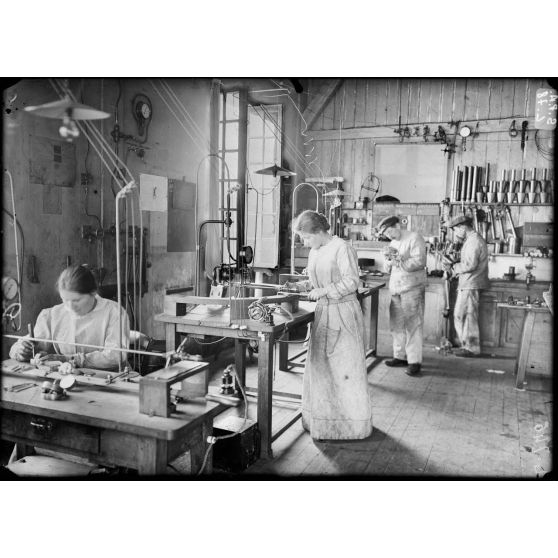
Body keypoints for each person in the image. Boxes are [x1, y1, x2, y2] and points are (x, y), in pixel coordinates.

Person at [283, 210, 373, 441]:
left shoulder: (341, 247)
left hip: (343, 312)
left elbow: (352, 281)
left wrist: (323, 291)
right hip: (324, 312)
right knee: (322, 371)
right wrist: (302, 287)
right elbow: (316, 279)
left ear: (320, 231)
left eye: (307, 237)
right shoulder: (316, 250)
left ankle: (350, 428)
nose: (305, 242)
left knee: (344, 371)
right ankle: (323, 424)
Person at [9, 265, 130, 370]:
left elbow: (115, 356)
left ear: (93, 292)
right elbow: (21, 346)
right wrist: (22, 351)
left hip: (110, 378)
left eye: (76, 300)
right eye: (65, 300)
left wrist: (70, 359)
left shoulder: (114, 312)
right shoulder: (53, 314)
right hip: (68, 378)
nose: (71, 306)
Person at [377, 215, 427, 376]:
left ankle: (414, 361)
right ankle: (400, 356)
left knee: (413, 325)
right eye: (385, 234)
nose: (389, 235)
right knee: (396, 325)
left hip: (412, 288)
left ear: (398, 225)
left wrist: (399, 261)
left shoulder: (414, 238)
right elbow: (387, 268)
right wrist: (387, 261)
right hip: (396, 289)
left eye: (390, 230)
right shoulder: (392, 243)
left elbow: (420, 262)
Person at [444, 214, 489, 357]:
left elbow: (470, 264)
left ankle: (471, 348)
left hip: (471, 283)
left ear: (463, 227)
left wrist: (453, 268)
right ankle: (466, 345)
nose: (456, 233)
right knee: (461, 315)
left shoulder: (474, 241)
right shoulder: (471, 240)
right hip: (468, 282)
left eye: (456, 230)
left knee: (467, 316)